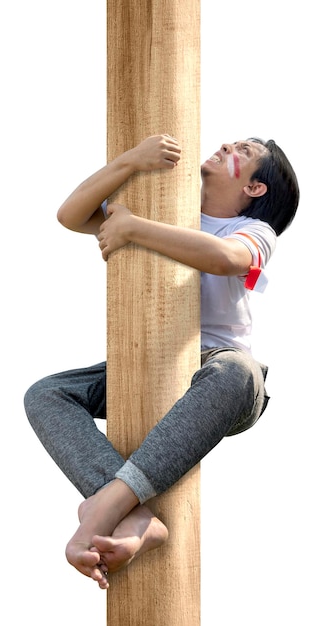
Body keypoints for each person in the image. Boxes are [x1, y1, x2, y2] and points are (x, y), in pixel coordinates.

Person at [24, 134, 299, 590]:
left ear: (255, 189)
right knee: (47, 394)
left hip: (219, 372)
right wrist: (130, 162)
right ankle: (135, 517)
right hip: (146, 360)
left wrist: (133, 229)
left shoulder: (251, 231)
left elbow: (226, 260)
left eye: (244, 153)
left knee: (237, 372)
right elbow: (70, 215)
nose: (228, 145)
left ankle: (107, 504)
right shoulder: (163, 208)